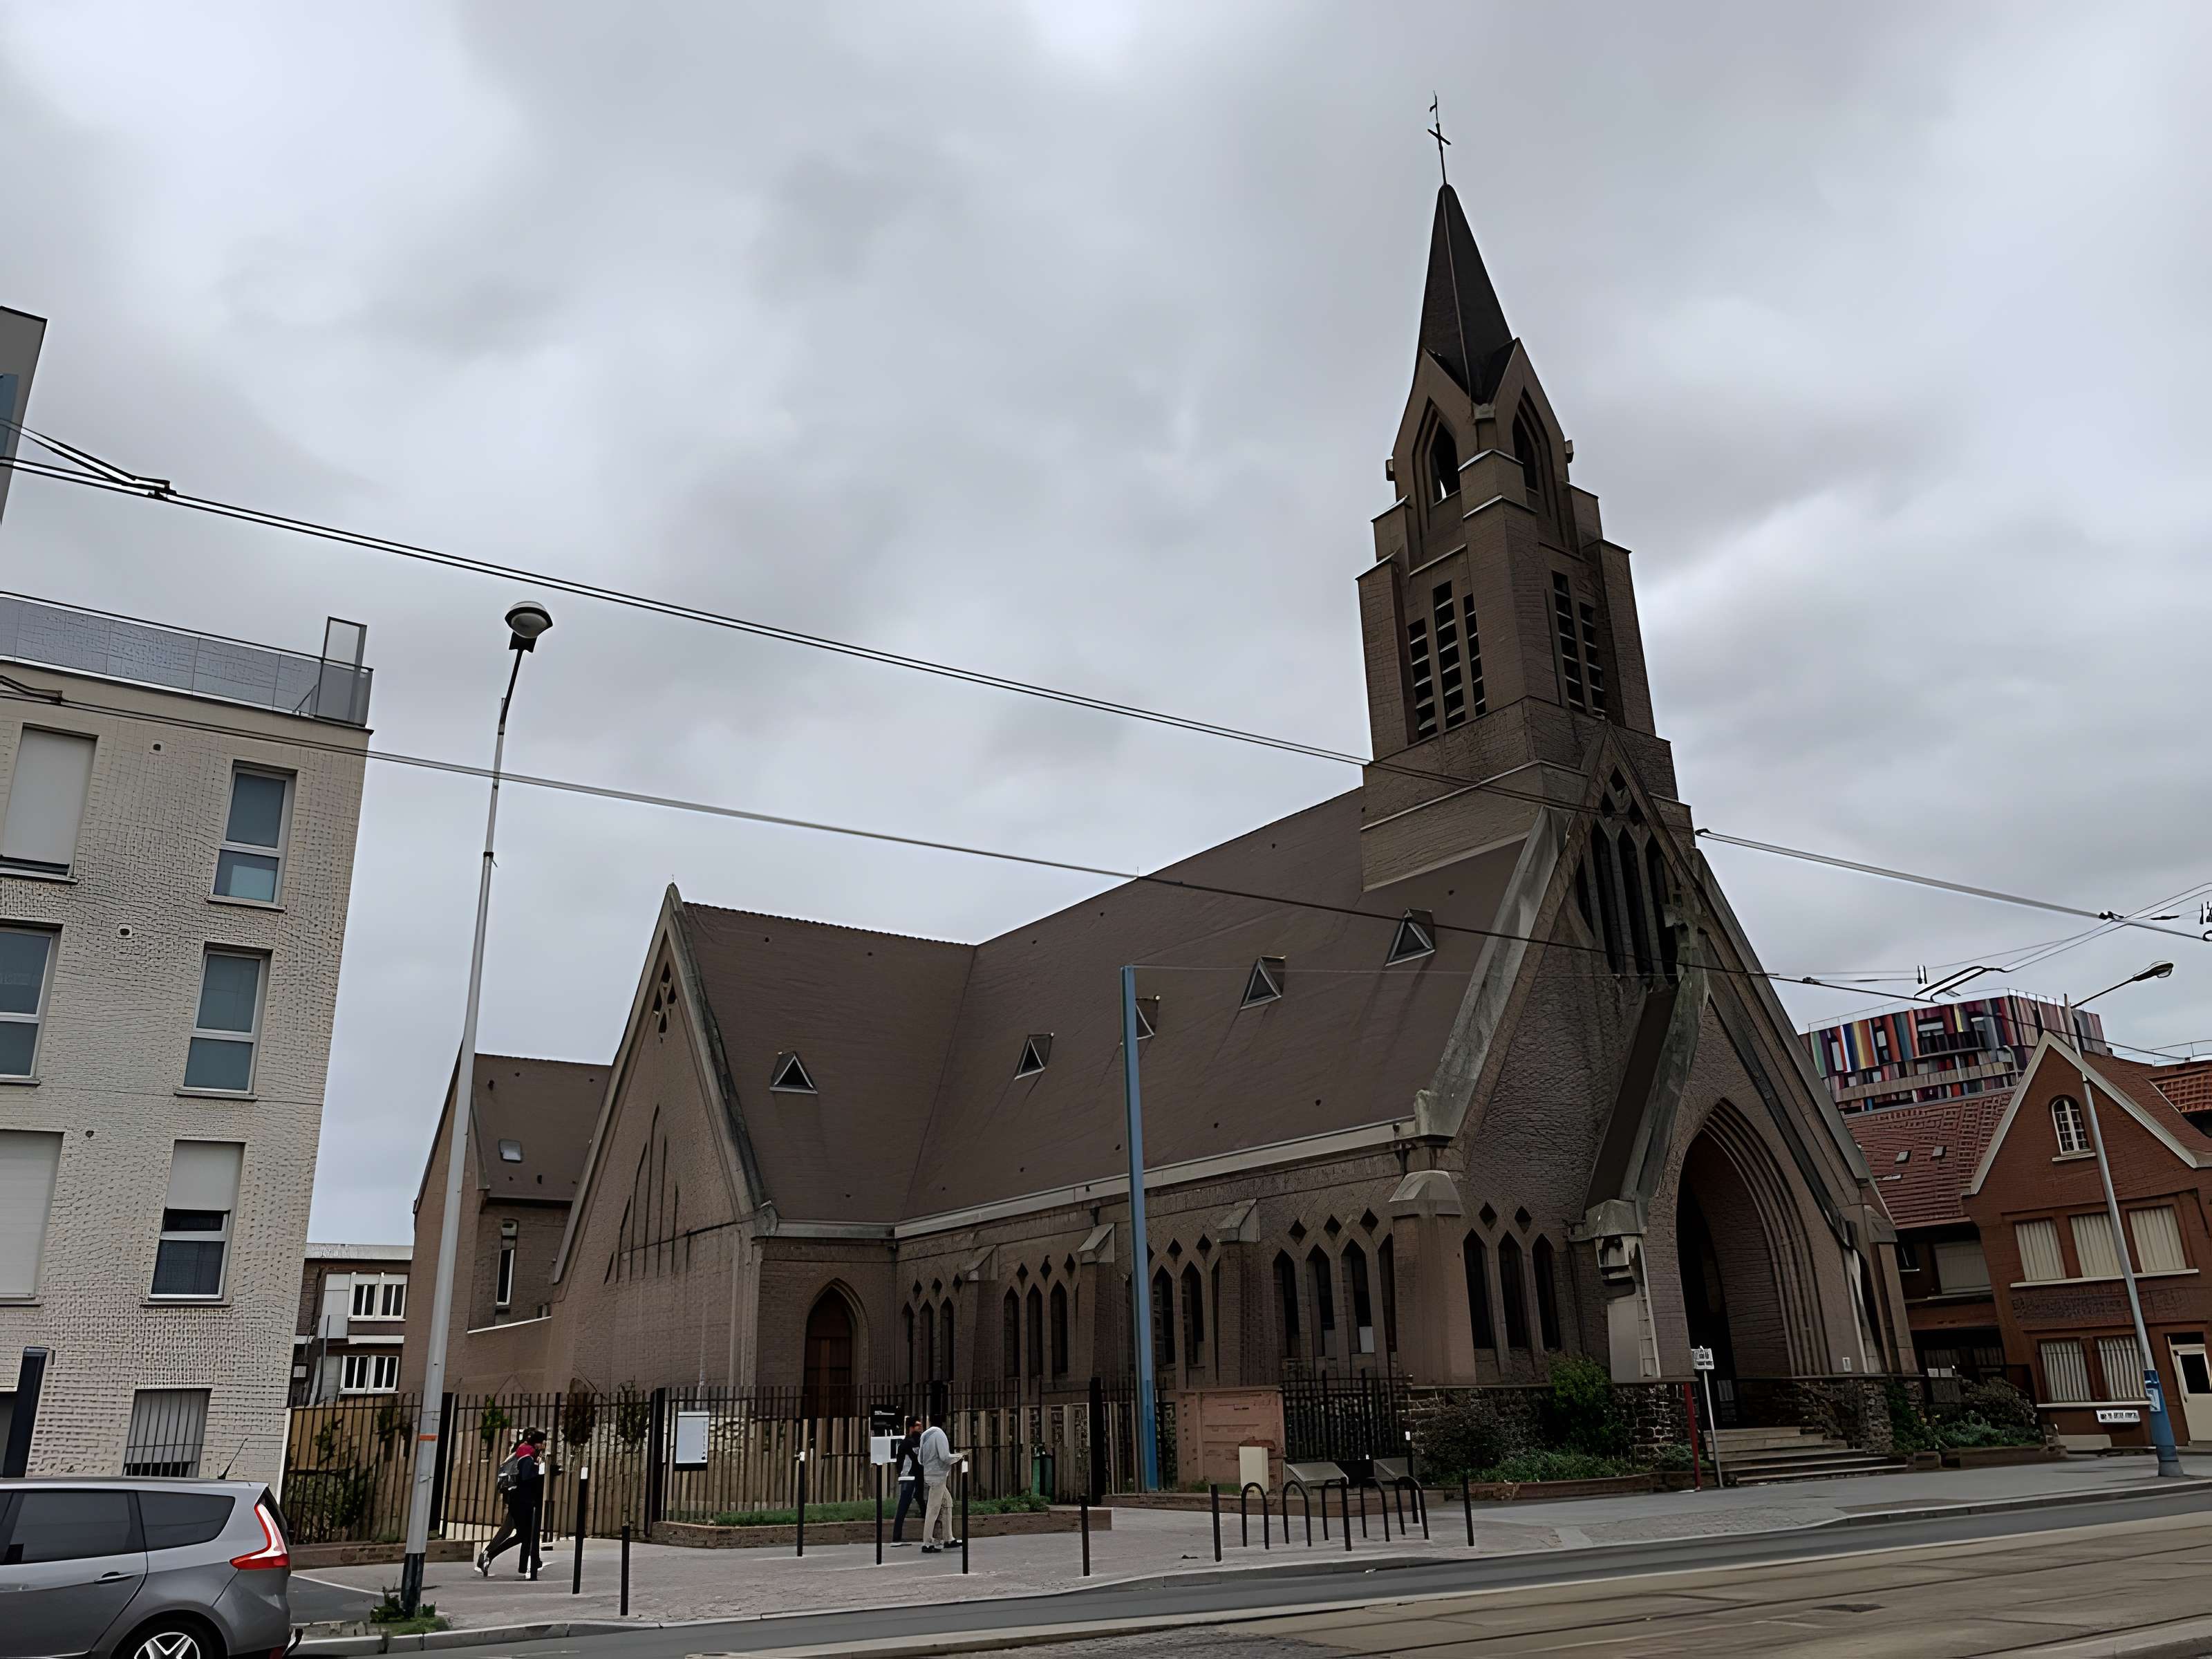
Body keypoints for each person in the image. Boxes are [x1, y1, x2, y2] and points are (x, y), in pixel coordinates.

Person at [477, 1426, 547, 1579]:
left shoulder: (525, 1452)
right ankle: (489, 1555)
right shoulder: (526, 1454)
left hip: (518, 1499)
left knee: (513, 1532)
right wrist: (537, 1466)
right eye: (542, 1442)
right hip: (520, 1500)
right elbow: (526, 1477)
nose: (544, 1445)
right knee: (522, 1534)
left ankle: (490, 1556)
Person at [916, 1414, 964, 1554]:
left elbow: (920, 1459)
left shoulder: (925, 1435)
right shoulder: (940, 1434)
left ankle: (949, 1538)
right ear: (943, 1423)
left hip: (929, 1475)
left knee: (947, 1503)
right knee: (933, 1509)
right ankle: (927, 1542)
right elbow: (945, 1457)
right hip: (939, 1477)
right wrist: (959, 1456)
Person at [888, 1417, 924, 1545]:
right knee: (903, 1507)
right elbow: (915, 1459)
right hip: (908, 1477)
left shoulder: (916, 1441)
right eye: (917, 1425)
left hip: (916, 1477)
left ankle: (928, 1535)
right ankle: (896, 1538)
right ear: (911, 1427)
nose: (920, 1427)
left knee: (923, 1505)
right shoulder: (907, 1443)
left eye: (920, 1425)